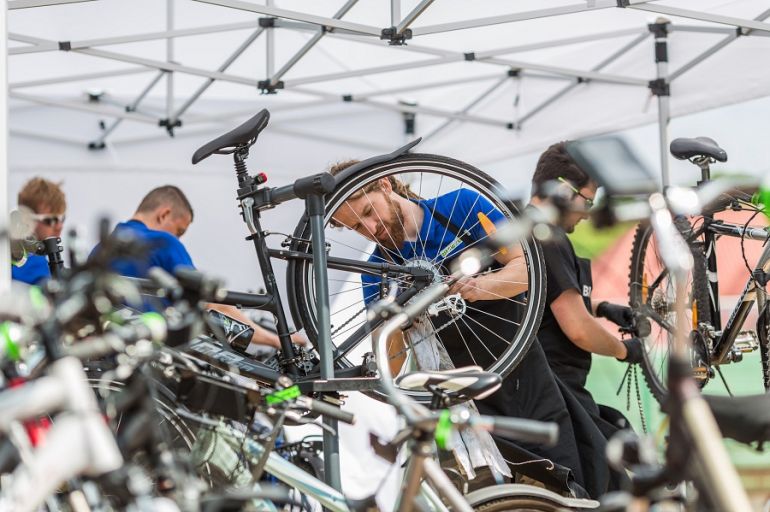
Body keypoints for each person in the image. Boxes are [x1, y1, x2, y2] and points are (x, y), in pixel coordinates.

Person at [327, 161, 602, 498]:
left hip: (520, 373)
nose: (371, 228)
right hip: (454, 398)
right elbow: (392, 365)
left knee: (563, 486)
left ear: (385, 185)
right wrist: (399, 321)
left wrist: (482, 285)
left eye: (369, 212)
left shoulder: (460, 206)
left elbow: (526, 269)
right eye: (356, 227)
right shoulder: (373, 272)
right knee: (490, 500)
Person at [529, 141, 644, 482]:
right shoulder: (547, 236)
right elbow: (577, 328)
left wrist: (603, 308)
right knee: (607, 483)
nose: (588, 212)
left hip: (543, 389)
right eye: (588, 200)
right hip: (557, 391)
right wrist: (624, 350)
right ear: (564, 191)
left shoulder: (523, 229)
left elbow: (545, 300)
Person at [91, 185, 302, 349]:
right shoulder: (162, 241)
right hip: (150, 357)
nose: (178, 238)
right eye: (179, 231)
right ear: (164, 214)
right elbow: (210, 302)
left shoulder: (101, 248)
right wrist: (275, 340)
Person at [12, 177, 67, 285]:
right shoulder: (24, 262)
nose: (59, 226)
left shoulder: (43, 262)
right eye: (50, 220)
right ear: (26, 219)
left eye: (62, 219)